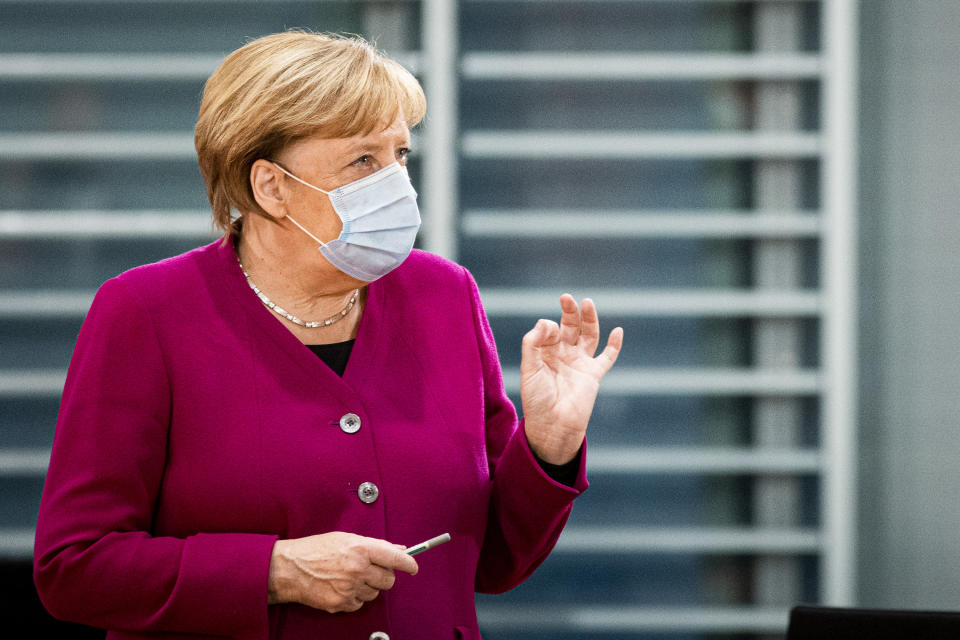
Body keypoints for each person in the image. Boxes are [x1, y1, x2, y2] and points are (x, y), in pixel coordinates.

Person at [33, 31, 623, 640]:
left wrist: (549, 446)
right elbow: (73, 567)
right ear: (271, 187)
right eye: (363, 161)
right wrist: (274, 571)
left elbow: (492, 562)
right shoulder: (146, 312)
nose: (396, 182)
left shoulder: (443, 294)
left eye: (400, 155)